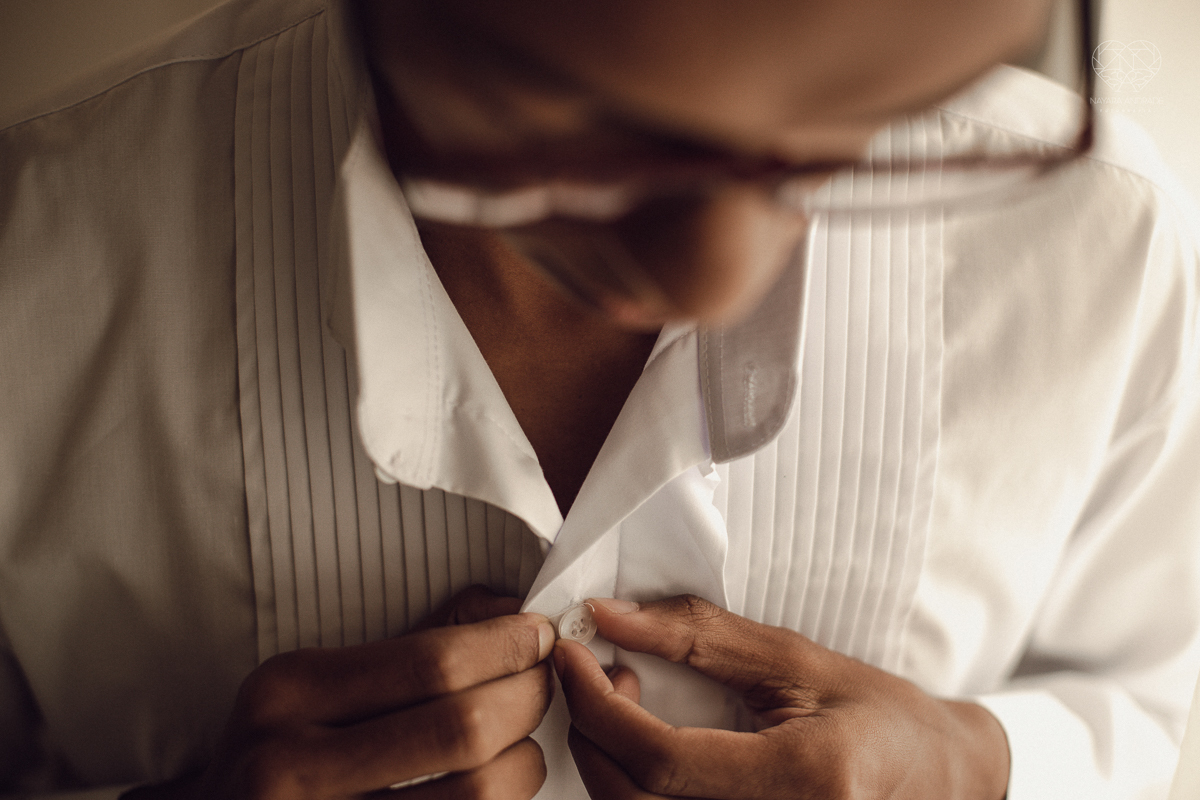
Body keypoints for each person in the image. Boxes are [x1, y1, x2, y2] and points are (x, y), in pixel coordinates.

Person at [1, 0, 1198, 798]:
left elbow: (1154, 700)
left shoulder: (1106, 240)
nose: (717, 274)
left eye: (854, 119)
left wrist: (986, 763)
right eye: (590, 126)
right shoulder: (37, 253)